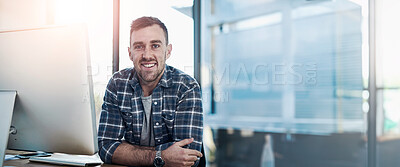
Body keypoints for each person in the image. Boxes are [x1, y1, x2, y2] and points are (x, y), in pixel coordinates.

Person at [97, 16, 203, 167]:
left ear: (168, 51)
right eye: (139, 46)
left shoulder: (186, 87)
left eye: (155, 46)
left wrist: (127, 151)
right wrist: (161, 156)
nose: (147, 55)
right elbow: (106, 148)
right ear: (130, 53)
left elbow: (187, 156)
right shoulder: (117, 84)